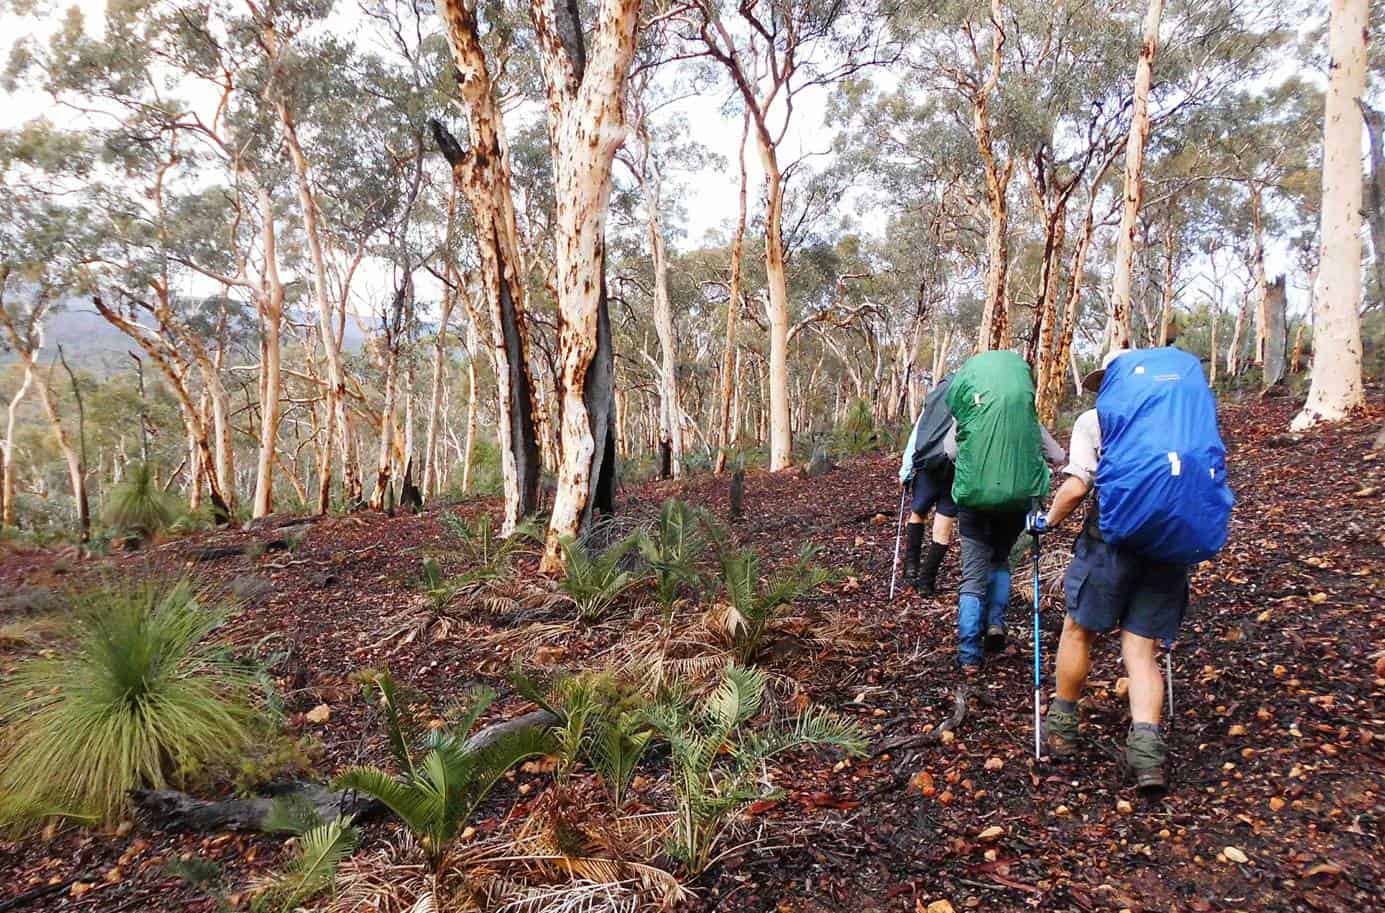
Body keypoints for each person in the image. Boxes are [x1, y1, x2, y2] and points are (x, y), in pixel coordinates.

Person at [1039, 349, 1187, 795]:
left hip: (1109, 542)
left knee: (1078, 630)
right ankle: (1147, 758)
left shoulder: (1094, 421)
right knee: (1141, 651)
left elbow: (1077, 485)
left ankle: (1062, 730)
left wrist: (1047, 521)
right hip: (1167, 543)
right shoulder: (1175, 420)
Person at [898, 375, 957, 595]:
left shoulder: (932, 404)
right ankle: (926, 582)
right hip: (955, 469)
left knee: (917, 513)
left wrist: (906, 470)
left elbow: (916, 436)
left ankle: (911, 568)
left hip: (927, 466)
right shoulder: (972, 403)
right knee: (943, 528)